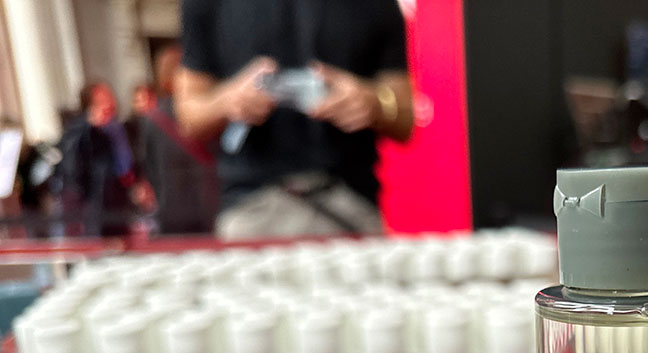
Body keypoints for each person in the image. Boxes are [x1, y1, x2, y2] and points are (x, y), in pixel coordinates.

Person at [175, 0, 414, 238]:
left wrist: (374, 103)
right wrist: (227, 101)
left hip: (350, 202)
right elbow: (188, 117)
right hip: (251, 206)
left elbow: (406, 119)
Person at [137, 44, 221, 234]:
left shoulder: (152, 118)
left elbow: (150, 168)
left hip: (172, 209)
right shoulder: (210, 111)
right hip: (211, 205)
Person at [57, 81, 147, 235]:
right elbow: (73, 171)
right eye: (101, 101)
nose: (108, 104)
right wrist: (89, 129)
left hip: (123, 204)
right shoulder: (81, 132)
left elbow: (131, 162)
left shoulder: (121, 128)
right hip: (97, 208)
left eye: (109, 98)